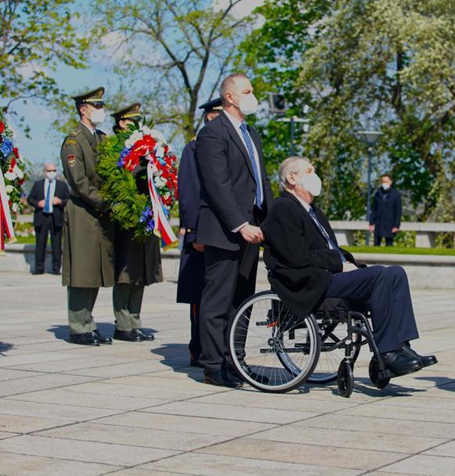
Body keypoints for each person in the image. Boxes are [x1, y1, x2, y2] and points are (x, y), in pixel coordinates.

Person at [263, 157, 437, 377]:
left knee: (395, 273)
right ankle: (387, 353)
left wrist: (348, 263)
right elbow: (298, 256)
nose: (315, 175)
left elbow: (330, 247)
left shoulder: (312, 210)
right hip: (309, 281)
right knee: (378, 276)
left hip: (330, 274)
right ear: (292, 177)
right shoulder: (283, 208)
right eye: (309, 171)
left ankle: (402, 346)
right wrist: (340, 265)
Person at [195, 73, 275, 387]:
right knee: (218, 302)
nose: (252, 95)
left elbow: (260, 181)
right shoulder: (213, 133)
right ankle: (214, 366)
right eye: (247, 90)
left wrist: (266, 222)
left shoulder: (251, 133)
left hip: (252, 229)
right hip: (225, 230)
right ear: (229, 96)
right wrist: (240, 224)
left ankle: (235, 360)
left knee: (242, 299)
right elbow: (218, 185)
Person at [60, 87, 115, 346]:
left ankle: (88, 323)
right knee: (82, 270)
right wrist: (105, 201)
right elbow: (79, 181)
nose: (101, 111)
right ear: (84, 110)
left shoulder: (102, 139)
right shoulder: (73, 141)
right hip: (84, 210)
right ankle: (78, 326)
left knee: (94, 271)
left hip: (100, 213)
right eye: (97, 106)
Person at [177, 96, 224, 367]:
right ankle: (199, 349)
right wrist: (194, 232)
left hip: (223, 232)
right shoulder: (194, 148)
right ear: (209, 117)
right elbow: (190, 191)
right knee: (201, 296)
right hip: (202, 233)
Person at [109, 103, 160, 342]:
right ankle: (122, 323)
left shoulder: (147, 147)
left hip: (146, 216)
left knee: (141, 272)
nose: (137, 125)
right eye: (132, 121)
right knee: (126, 273)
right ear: (121, 123)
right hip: (127, 218)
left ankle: (135, 321)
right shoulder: (113, 146)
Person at [26, 163, 70, 275]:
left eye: (54, 170)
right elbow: (30, 199)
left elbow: (69, 199)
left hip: (56, 217)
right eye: (49, 171)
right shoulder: (38, 185)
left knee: (57, 245)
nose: (52, 173)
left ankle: (56, 269)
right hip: (42, 217)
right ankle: (39, 269)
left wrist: (60, 201)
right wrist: (38, 203)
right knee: (40, 244)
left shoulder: (62, 185)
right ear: (45, 172)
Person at [369, 174, 402, 246]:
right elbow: (374, 209)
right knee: (376, 244)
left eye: (386, 181)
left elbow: (398, 212)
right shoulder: (377, 194)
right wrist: (371, 223)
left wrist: (396, 226)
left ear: (390, 182)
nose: (384, 183)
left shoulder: (395, 195)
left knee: (389, 244)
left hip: (390, 224)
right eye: (383, 182)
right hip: (379, 223)